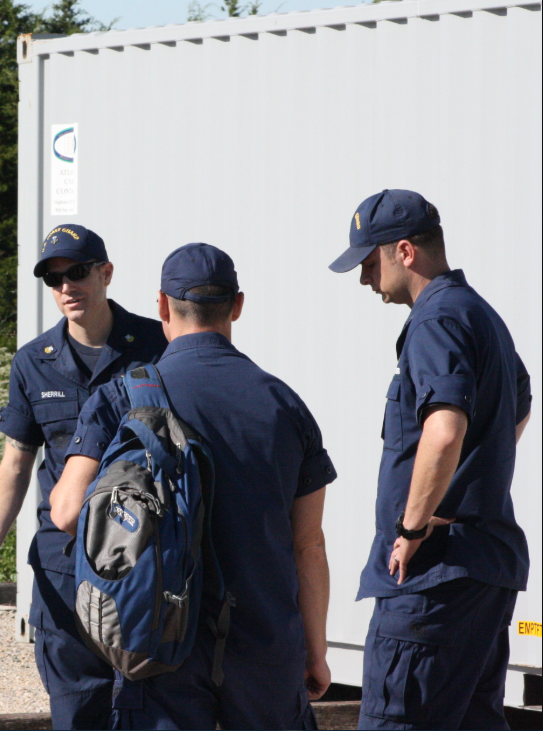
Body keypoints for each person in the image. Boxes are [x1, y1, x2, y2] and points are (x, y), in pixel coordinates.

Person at [50, 243, 335, 730]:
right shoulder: (285, 404)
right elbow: (308, 545)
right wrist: (315, 651)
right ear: (237, 306)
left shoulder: (122, 395)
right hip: (265, 650)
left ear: (162, 305)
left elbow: (68, 512)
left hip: (160, 647)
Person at [0, 225, 167, 729]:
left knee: (151, 704)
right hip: (63, 563)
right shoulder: (33, 362)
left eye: (78, 272)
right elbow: (16, 460)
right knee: (77, 706)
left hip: (143, 558)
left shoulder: (155, 345)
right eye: (54, 278)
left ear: (106, 273)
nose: (66, 286)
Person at [328, 189, 532, 730]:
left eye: (369, 263)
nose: (366, 279)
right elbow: (520, 399)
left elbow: (443, 432)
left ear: (404, 252)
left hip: (433, 579)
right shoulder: (477, 313)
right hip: (483, 569)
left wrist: (413, 526)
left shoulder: (435, 319)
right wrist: (474, 478)